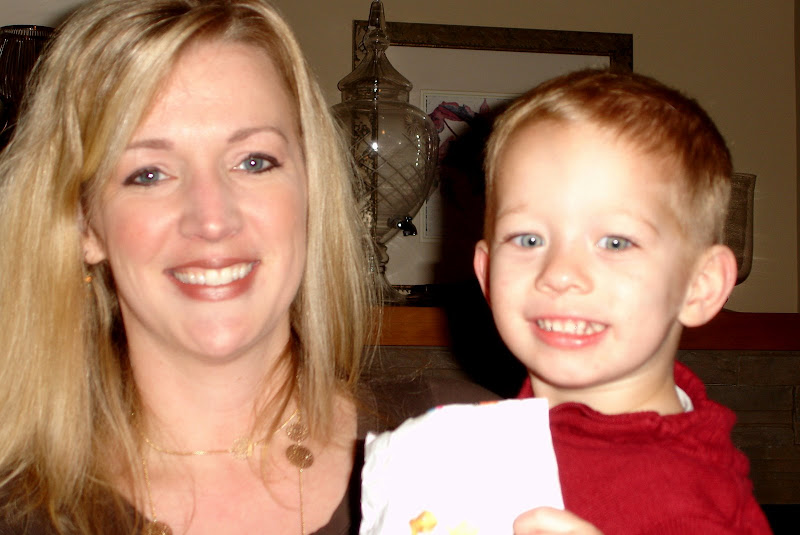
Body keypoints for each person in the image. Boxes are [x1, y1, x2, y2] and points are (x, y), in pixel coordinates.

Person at [0, 1, 495, 534]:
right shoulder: (20, 514)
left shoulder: (472, 450)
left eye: (254, 161)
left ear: (310, 191)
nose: (213, 219)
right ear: (84, 225)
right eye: (149, 174)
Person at [473, 69, 772, 534]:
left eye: (615, 242)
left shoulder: (692, 506)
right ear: (487, 274)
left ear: (700, 285)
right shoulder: (483, 442)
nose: (560, 274)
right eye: (528, 239)